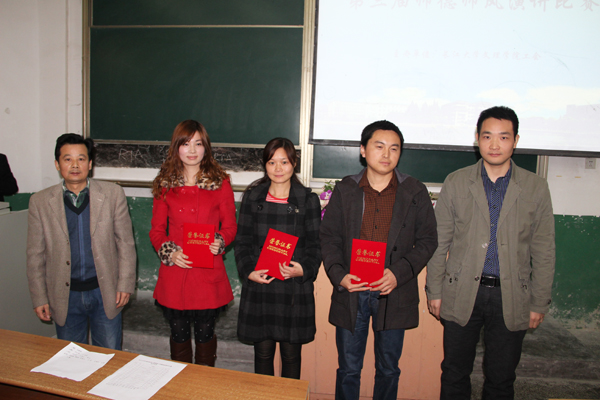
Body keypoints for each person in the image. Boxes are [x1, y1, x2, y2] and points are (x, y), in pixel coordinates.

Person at [426, 106, 555, 400]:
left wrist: (539, 301)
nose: (495, 144)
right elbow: (439, 242)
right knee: (454, 373)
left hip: (511, 296)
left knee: (501, 378)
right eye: (487, 136)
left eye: (504, 137)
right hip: (461, 292)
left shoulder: (535, 187)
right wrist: (435, 290)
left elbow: (544, 249)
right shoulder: (457, 181)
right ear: (477, 138)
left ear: (516, 140)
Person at [320, 120, 438, 400]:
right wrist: (339, 275)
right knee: (348, 369)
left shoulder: (414, 191)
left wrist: (398, 273)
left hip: (393, 291)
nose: (387, 154)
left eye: (394, 148)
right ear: (363, 150)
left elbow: (427, 241)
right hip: (353, 291)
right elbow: (329, 237)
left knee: (388, 369)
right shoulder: (346, 189)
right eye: (379, 146)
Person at [27, 134, 136, 350]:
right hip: (64, 296)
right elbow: (35, 254)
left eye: (81, 159)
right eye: (68, 159)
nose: (75, 165)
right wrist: (39, 297)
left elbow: (125, 243)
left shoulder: (112, 194)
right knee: (72, 359)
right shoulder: (40, 202)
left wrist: (125, 284)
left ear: (90, 163)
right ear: (57, 164)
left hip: (105, 292)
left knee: (108, 356)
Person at [150, 120, 237, 366]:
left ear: (205, 148)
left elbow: (230, 227)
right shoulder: (165, 184)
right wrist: (170, 252)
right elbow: (156, 231)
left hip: (207, 274)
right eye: (186, 144)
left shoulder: (221, 182)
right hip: (175, 273)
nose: (192, 150)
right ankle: (181, 384)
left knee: (205, 334)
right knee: (178, 335)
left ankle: (205, 383)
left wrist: (220, 240)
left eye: (198, 144)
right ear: (176, 147)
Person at [235, 138, 321, 379]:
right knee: (262, 354)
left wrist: (303, 269)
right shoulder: (253, 198)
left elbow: (316, 246)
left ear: (294, 163)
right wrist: (249, 271)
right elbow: (242, 242)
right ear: (265, 165)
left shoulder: (308, 200)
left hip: (294, 289)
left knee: (291, 356)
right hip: (261, 286)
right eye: (272, 162)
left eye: (284, 161)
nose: (278, 168)